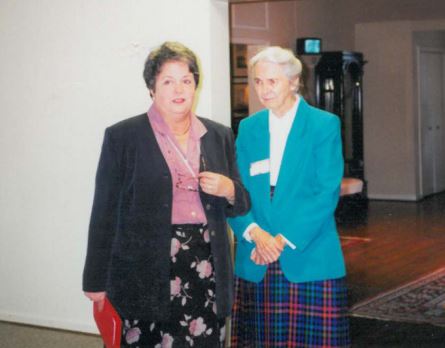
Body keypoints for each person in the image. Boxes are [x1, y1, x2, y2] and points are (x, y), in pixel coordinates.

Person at [82, 41, 250, 347]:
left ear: (195, 85)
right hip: (144, 268)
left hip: (205, 266)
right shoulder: (123, 137)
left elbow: (240, 202)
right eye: (168, 81)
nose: (178, 89)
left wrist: (229, 190)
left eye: (186, 80)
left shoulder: (218, 135)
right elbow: (103, 212)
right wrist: (95, 280)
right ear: (151, 88)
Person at [228, 46, 350, 347]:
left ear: (294, 81)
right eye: (257, 81)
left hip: (307, 255)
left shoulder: (324, 125)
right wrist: (255, 234)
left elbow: (325, 193)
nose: (263, 90)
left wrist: (280, 240)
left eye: (272, 81)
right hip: (257, 256)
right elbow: (236, 190)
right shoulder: (248, 127)